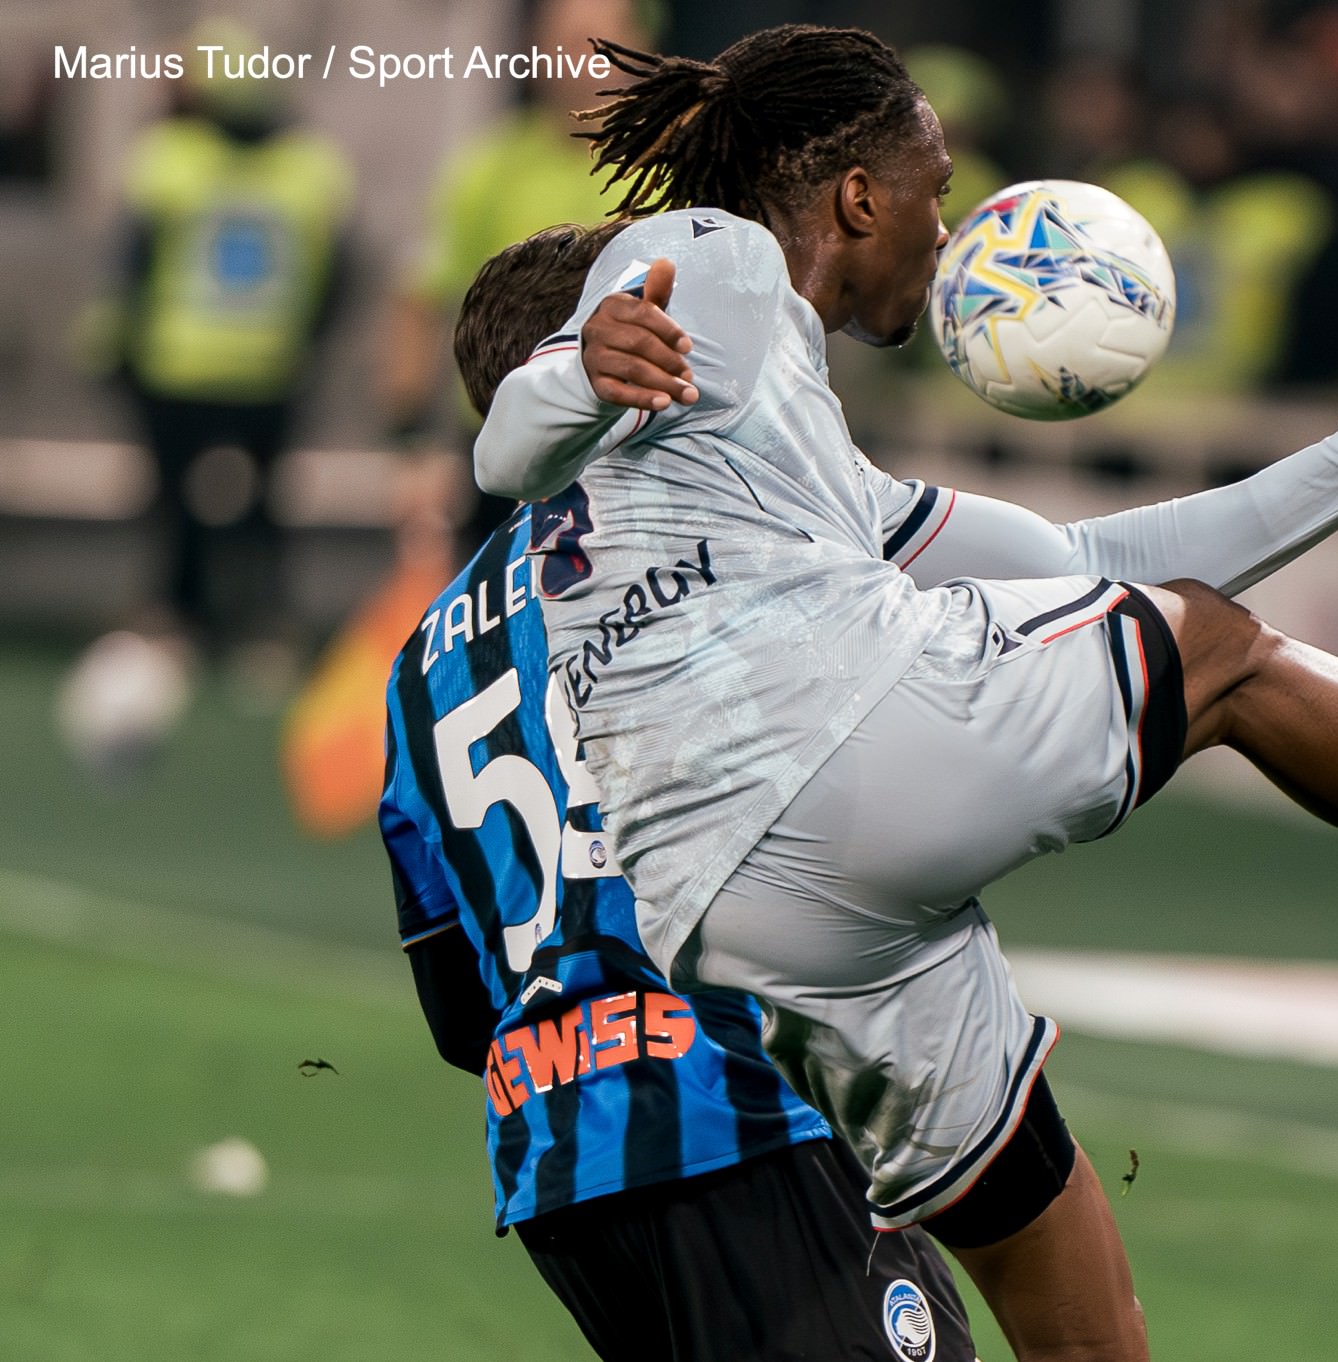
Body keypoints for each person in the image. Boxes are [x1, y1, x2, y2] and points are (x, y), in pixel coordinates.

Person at [476, 26, 1338, 1361]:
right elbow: (509, 442)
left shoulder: (787, 465)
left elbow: (1086, 563)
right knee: (1219, 654)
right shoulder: (714, 258)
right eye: (936, 188)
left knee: (1071, 1303)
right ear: (857, 197)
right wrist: (573, 370)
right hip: (832, 754)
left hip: (736, 913)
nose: (947, 226)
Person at [377, 222, 976, 1362]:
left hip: (559, 1159)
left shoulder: (419, 662)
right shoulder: (692, 554)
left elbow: (457, 1008)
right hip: (737, 1103)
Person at [111, 18, 352, 650]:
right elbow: (339, 275)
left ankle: (182, 615)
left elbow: (134, 265)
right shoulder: (313, 166)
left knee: (180, 503)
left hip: (180, 361)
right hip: (263, 363)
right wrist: (309, 341)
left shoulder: (166, 154)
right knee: (259, 505)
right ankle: (258, 624)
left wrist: (121, 342)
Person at [380, 0, 644, 552]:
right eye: (567, 48)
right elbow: (420, 300)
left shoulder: (667, 170)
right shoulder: (490, 169)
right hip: (508, 445)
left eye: (601, 48)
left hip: (633, 448)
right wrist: (411, 447)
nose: (582, 65)